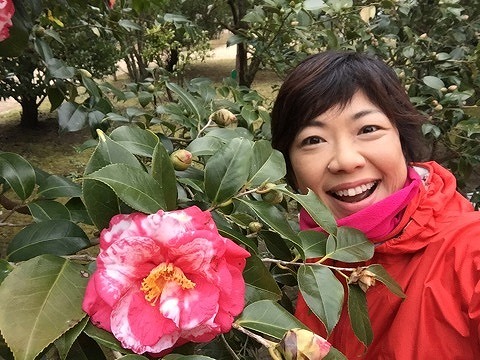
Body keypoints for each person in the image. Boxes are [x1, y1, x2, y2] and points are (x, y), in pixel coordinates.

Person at [270, 50, 480, 359]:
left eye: (368, 129)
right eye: (313, 140)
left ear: (402, 139)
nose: (345, 161)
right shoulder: (318, 260)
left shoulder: (469, 252)